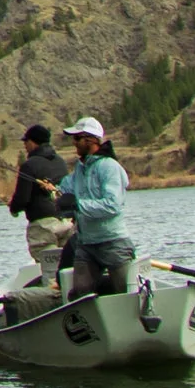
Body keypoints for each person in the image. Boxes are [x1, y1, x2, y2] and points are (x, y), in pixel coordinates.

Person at [56, 116, 133, 297]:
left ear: (90, 139)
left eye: (77, 138)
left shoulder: (109, 167)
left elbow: (112, 205)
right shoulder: (80, 169)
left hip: (113, 243)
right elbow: (65, 188)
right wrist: (53, 191)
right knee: (79, 295)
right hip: (86, 245)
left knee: (126, 293)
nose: (73, 143)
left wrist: (78, 204)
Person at [7, 124, 71, 281]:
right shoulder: (61, 162)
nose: (25, 145)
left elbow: (22, 199)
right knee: (68, 267)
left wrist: (13, 208)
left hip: (43, 226)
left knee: (50, 271)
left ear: (33, 142)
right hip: (66, 222)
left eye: (26, 142)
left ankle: (54, 299)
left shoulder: (29, 165)